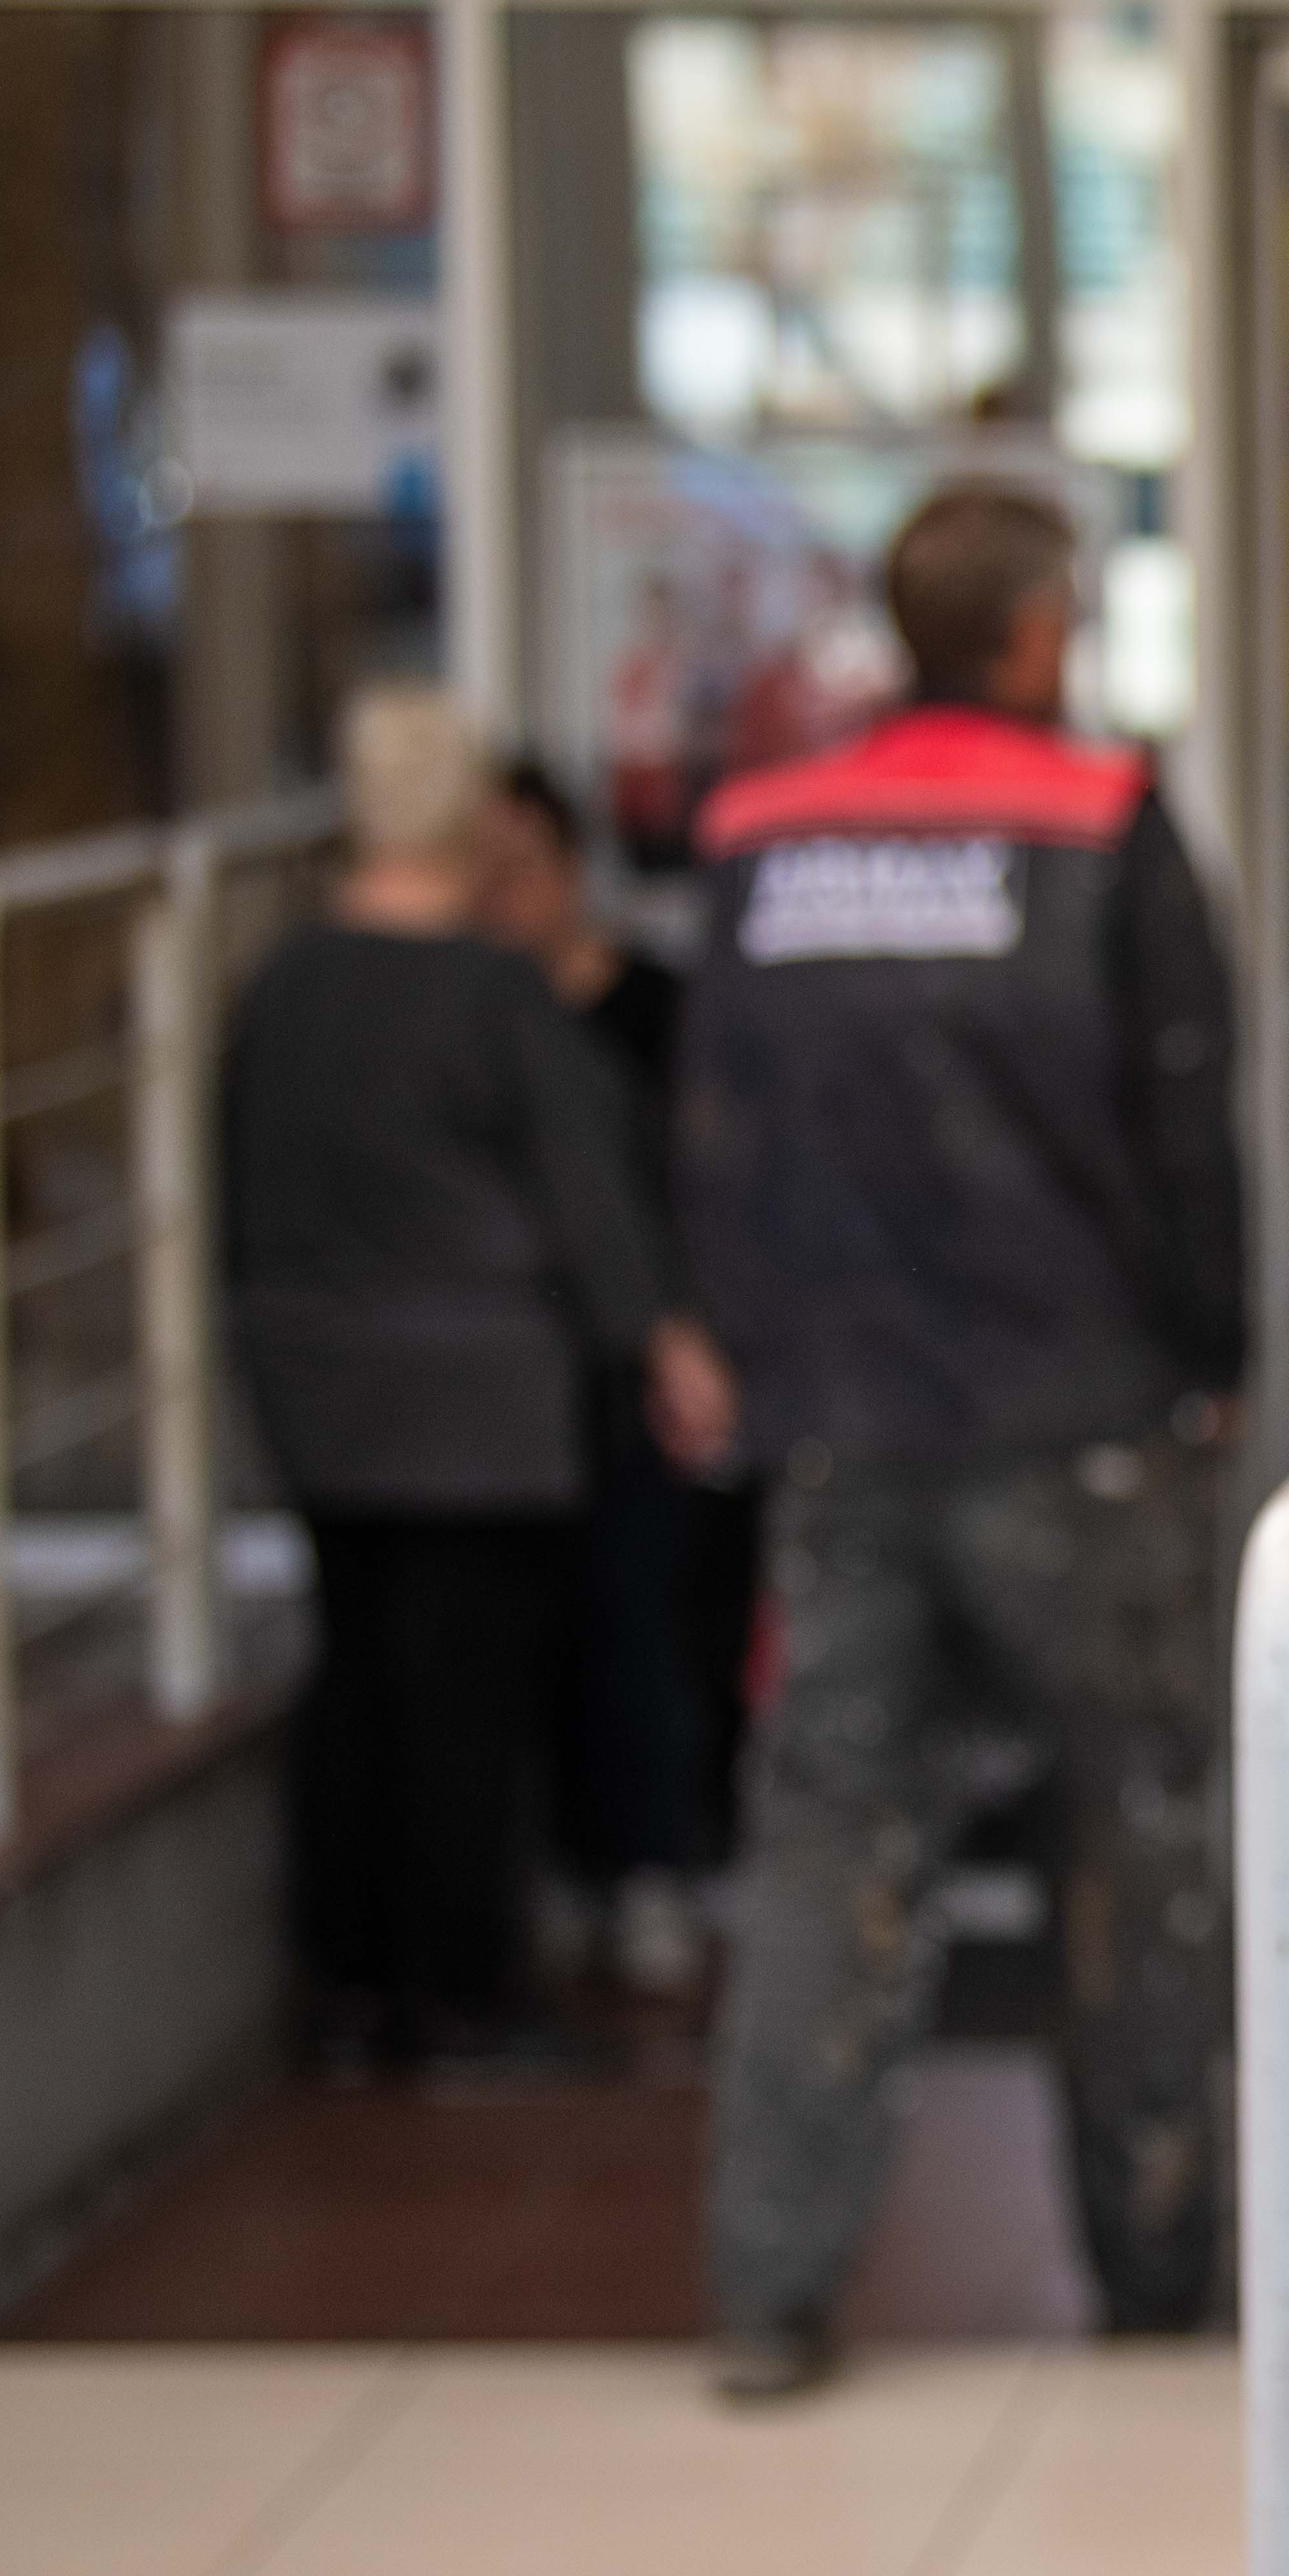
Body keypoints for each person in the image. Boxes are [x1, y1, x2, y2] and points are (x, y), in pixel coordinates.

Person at [673, 482, 1249, 2402]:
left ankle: (768, 2298)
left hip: (842, 1437)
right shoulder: (1102, 826)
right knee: (1136, 1846)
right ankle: (1153, 2286)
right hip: (1078, 1426)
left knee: (832, 1847)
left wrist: (739, 1349)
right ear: (1035, 634)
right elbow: (1185, 1121)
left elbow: (717, 1127)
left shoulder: (757, 839)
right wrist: (1214, 1356)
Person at [223, 683, 710, 2083]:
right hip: (479, 1407)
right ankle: (459, 1997)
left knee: (357, 1680)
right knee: (465, 1710)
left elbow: (241, 1183)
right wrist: (662, 1341)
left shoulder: (284, 984)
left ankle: (349, 1989)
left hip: (320, 1391)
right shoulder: (494, 997)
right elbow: (591, 1197)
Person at [476, 760, 759, 2002]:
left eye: (521, 869)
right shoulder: (469, 1023)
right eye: (478, 874)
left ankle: (665, 1858)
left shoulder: (662, 1011)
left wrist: (690, 1336)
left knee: (659, 1614)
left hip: (651, 1367)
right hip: (512, 1379)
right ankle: (577, 1863)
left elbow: (708, 1184)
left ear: (573, 867)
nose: (501, 899)